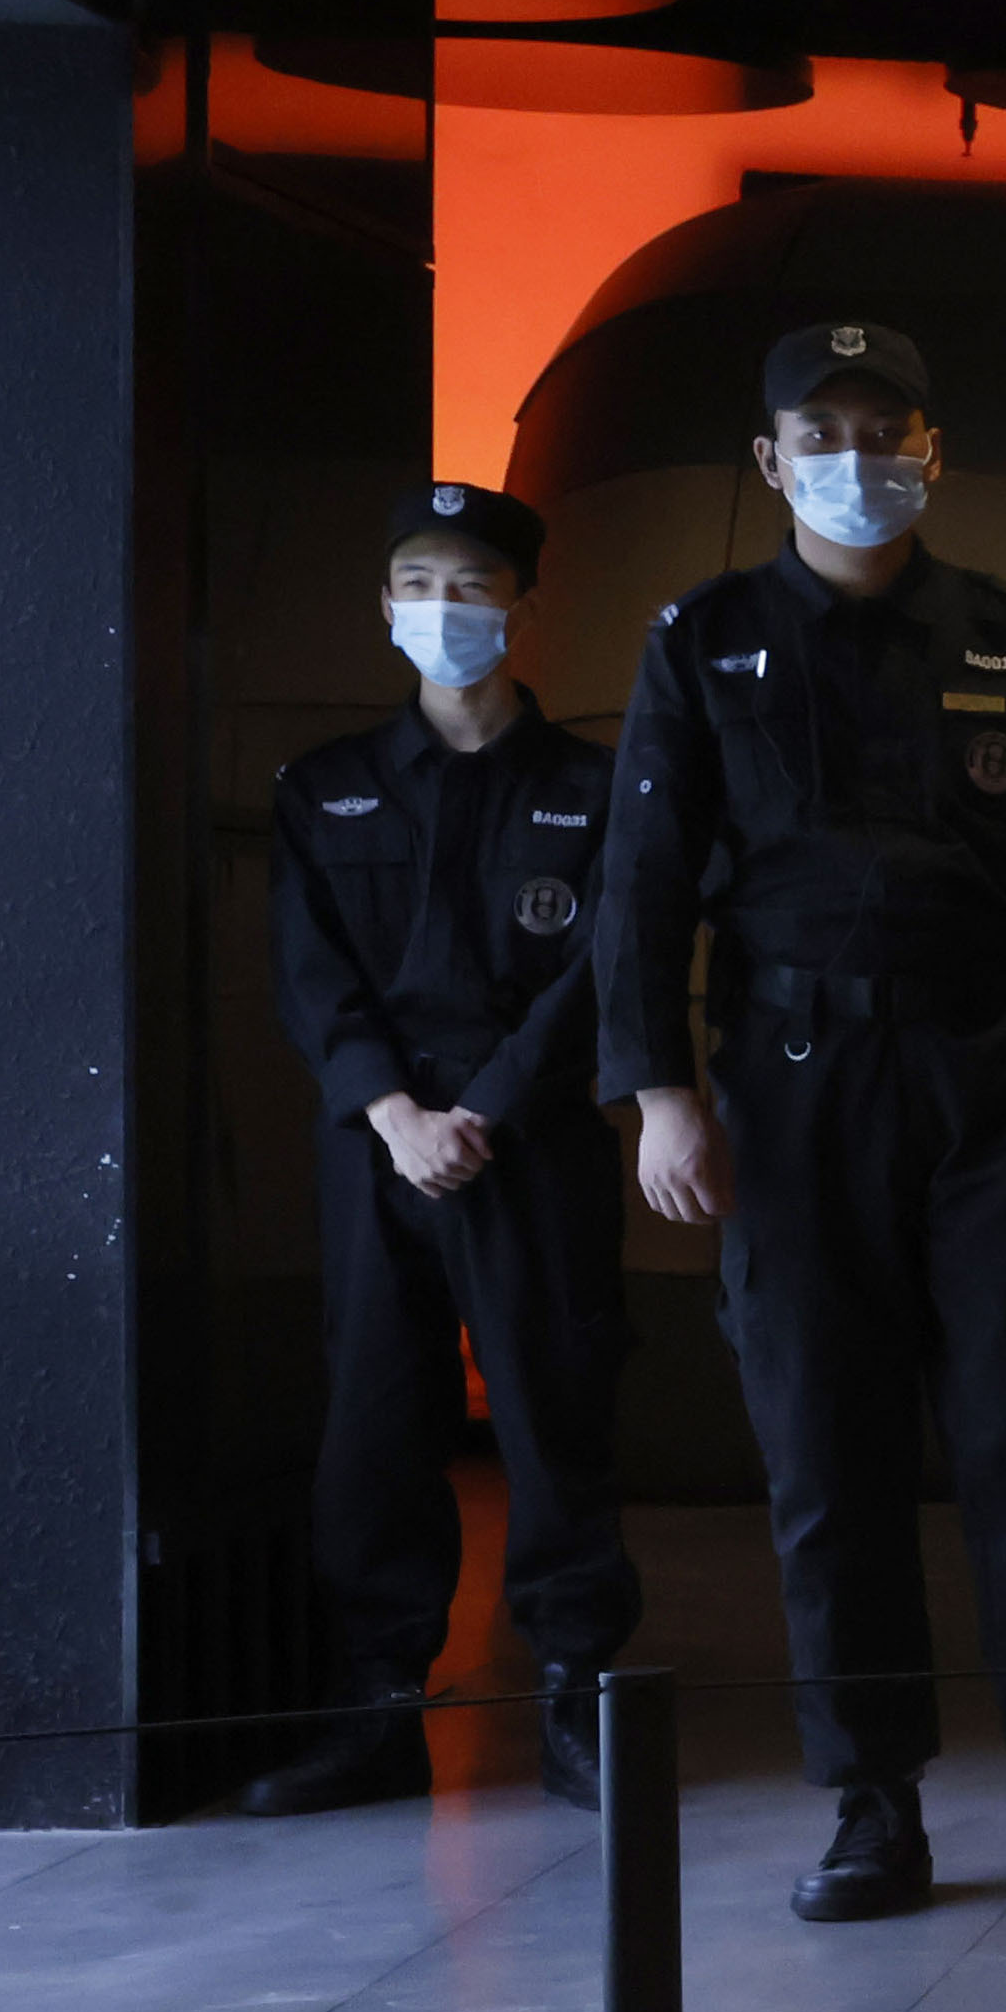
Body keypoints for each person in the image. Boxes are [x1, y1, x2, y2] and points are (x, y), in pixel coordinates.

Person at [600, 321, 1006, 1918]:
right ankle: (873, 1808)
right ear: (771, 459)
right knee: (824, 1450)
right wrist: (661, 1091)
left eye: (888, 426)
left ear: (935, 451)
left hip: (991, 1071)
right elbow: (643, 884)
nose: (856, 456)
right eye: (822, 427)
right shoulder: (704, 639)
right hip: (790, 1089)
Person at [244, 478, 634, 1815]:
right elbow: (312, 977)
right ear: (383, 605)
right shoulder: (329, 788)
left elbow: (607, 967)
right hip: (379, 1147)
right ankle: (377, 1711)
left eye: (470, 583)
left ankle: (581, 1696)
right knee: (376, 1420)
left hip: (529, 1139)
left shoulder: (600, 785)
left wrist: (492, 1105)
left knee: (555, 1409)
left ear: (521, 603)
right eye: (416, 582)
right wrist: (398, 1114)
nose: (443, 608)